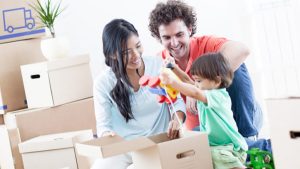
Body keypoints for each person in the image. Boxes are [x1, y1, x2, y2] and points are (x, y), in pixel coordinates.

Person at [148, 0, 272, 153]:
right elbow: (171, 99)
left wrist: (198, 89)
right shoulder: (160, 63)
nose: (174, 43)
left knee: (235, 68)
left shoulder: (205, 44)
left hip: (234, 117)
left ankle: (250, 138)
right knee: (212, 147)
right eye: (166, 37)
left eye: (179, 34)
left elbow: (242, 50)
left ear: (189, 29)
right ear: (159, 38)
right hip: (207, 126)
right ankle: (245, 147)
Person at [91, 19, 186, 169]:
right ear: (112, 55)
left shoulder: (157, 65)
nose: (136, 55)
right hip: (123, 148)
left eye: (138, 46)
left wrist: (176, 119)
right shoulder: (103, 83)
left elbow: (177, 101)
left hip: (158, 143)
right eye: (126, 52)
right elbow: (103, 126)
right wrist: (107, 135)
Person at [161, 52, 248, 169]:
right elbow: (188, 81)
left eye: (199, 81)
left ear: (217, 81)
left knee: (213, 156)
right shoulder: (205, 90)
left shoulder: (218, 95)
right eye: (195, 80)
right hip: (215, 146)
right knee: (195, 153)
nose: (196, 84)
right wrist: (173, 68)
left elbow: (195, 92)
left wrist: (173, 82)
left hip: (231, 148)